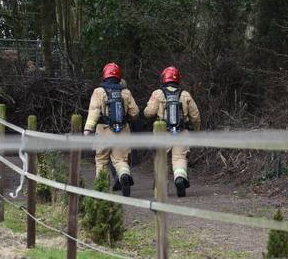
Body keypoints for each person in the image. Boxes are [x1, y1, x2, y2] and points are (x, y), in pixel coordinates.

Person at [143, 65, 201, 196]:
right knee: (180, 158)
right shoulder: (185, 94)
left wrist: (147, 111)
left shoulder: (157, 94)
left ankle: (161, 188)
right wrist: (196, 131)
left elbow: (149, 112)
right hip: (182, 132)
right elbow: (195, 116)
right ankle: (179, 178)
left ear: (164, 78)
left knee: (161, 159)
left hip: (162, 132)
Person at [84, 62, 140, 195]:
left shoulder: (99, 92)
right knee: (121, 160)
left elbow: (94, 111)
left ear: (104, 75)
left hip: (103, 131)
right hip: (123, 131)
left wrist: (88, 129)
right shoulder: (125, 92)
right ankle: (124, 175)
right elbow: (135, 112)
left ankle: (101, 190)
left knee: (102, 160)